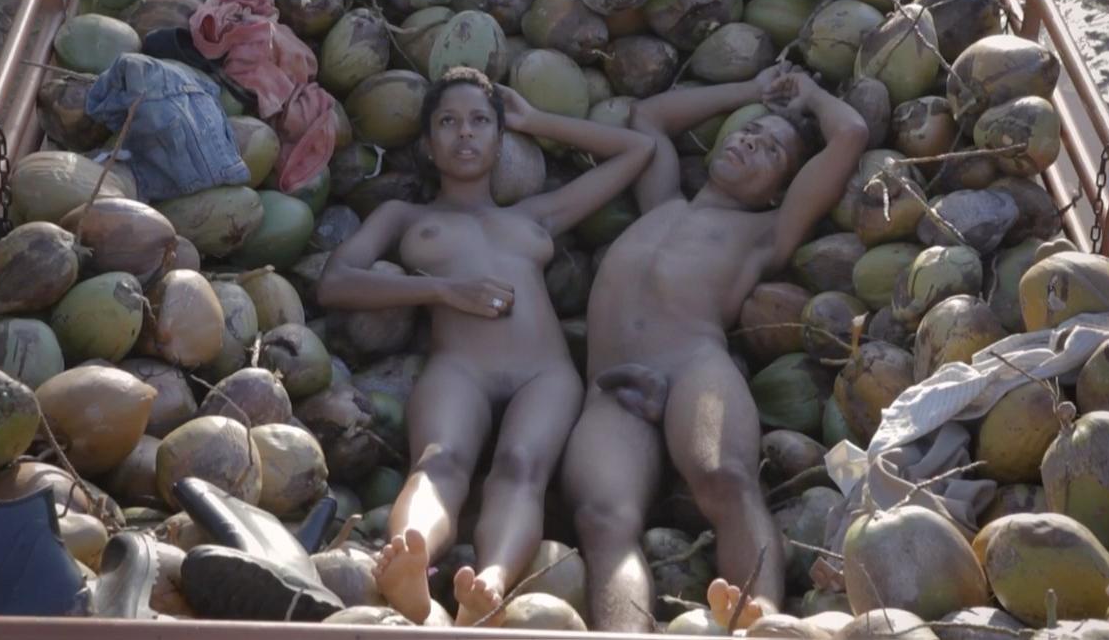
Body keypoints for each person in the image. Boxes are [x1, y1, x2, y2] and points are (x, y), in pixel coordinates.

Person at [316, 67, 656, 625]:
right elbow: (335, 282)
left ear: (500, 142)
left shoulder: (535, 215)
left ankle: (490, 582)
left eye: (479, 121)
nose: (465, 133)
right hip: (460, 369)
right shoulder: (406, 217)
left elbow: (638, 150)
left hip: (543, 375)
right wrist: (443, 290)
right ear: (428, 146)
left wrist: (537, 120)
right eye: (448, 122)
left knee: (522, 468)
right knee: (439, 460)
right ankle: (409, 559)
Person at [560, 64, 870, 632]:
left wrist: (811, 93)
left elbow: (850, 134)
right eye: (749, 132)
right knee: (603, 519)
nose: (752, 142)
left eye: (772, 151)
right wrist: (753, 90)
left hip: (691, 367)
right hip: (611, 386)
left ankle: (761, 623)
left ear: (777, 190)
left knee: (725, 479)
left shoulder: (765, 233)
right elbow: (648, 115)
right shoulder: (662, 200)